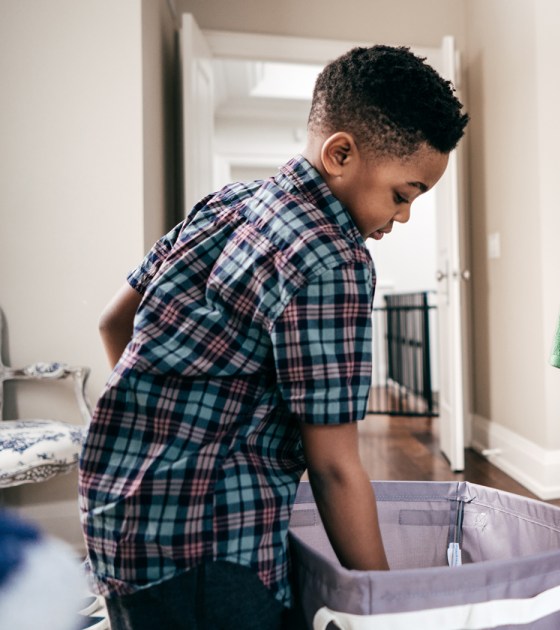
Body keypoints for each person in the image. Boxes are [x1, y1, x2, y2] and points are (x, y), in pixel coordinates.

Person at [79, 45, 468, 630]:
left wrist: (162, 422)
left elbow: (114, 321)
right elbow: (335, 466)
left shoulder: (227, 204)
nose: (405, 215)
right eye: (403, 193)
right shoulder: (334, 259)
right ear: (341, 154)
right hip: (207, 542)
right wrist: (388, 603)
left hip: (116, 509)